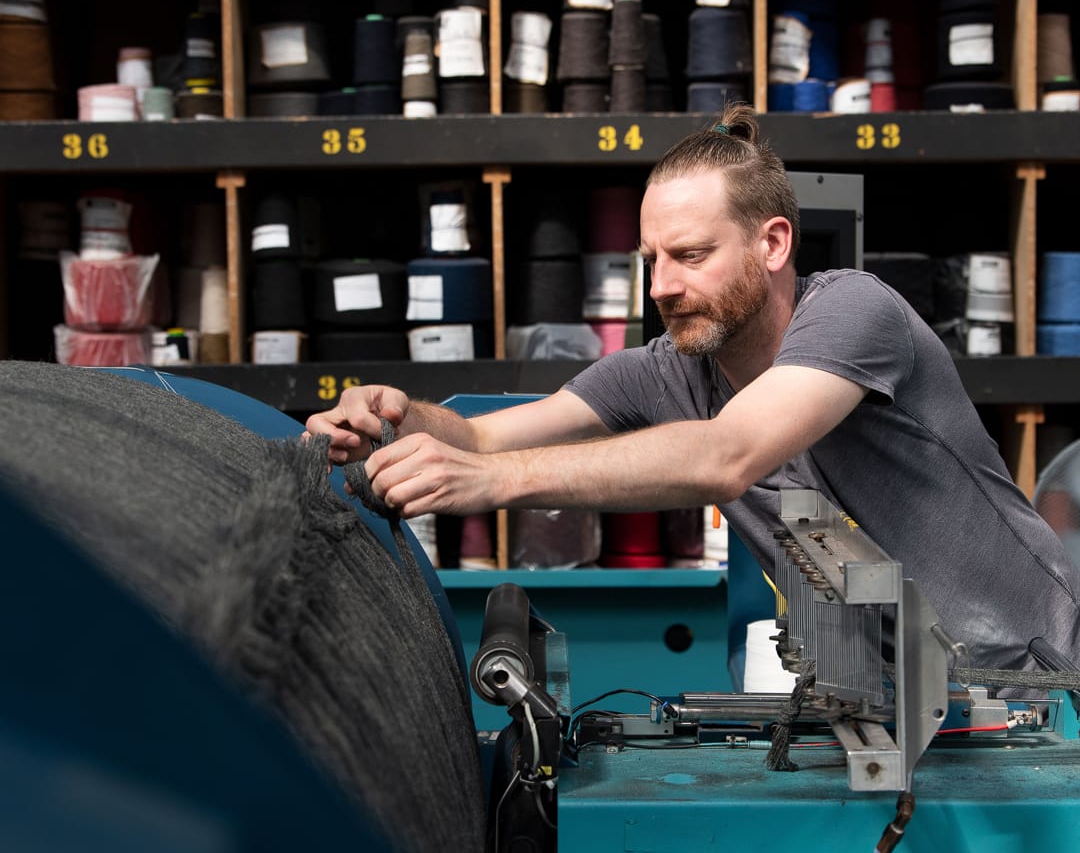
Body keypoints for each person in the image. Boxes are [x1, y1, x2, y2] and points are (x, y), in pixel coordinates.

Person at [306, 103, 1080, 675]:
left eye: (690, 254)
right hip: (905, 707)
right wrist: (399, 418)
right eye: (650, 259)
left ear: (772, 242)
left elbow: (729, 453)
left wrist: (491, 483)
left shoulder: (855, 311)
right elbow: (482, 435)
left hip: (1044, 684)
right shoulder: (666, 368)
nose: (662, 286)